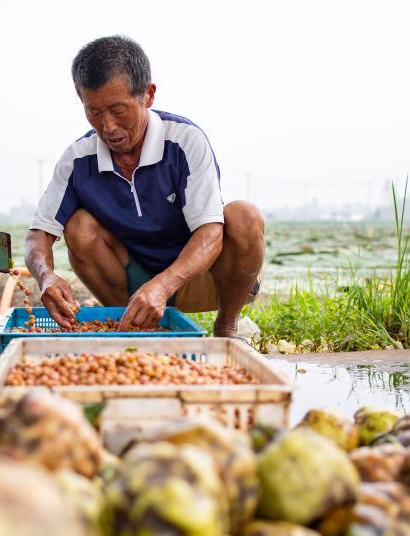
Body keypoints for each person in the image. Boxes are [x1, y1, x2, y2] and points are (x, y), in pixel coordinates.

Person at [25, 35, 264, 337]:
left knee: (244, 216)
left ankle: (227, 326)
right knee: (79, 226)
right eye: (94, 113)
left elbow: (211, 233)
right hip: (133, 282)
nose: (108, 127)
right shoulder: (77, 158)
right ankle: (137, 328)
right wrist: (46, 277)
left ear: (148, 95)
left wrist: (163, 286)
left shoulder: (184, 141)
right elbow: (37, 235)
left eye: (118, 110)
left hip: (201, 276)